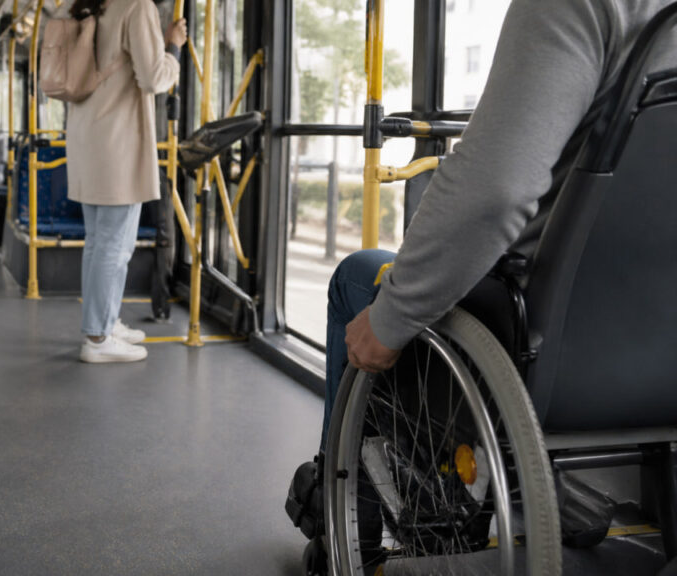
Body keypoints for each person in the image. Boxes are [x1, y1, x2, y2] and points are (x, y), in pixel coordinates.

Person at [289, 0, 677, 553]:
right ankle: (533, 479)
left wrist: (392, 317)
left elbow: (492, 196)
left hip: (555, 349)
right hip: (660, 343)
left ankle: (348, 530)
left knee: (359, 278)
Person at [66, 0, 187, 363]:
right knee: (114, 247)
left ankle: (104, 321)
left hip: (87, 136)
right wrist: (173, 47)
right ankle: (98, 338)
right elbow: (153, 78)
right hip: (118, 140)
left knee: (99, 244)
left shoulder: (86, 5)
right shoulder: (137, 6)